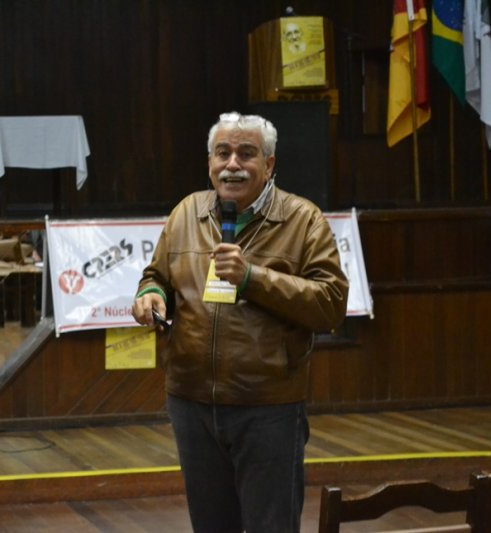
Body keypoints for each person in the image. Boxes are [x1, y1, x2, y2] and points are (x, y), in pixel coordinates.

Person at [131, 111, 348, 532]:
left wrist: (252, 278)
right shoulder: (186, 213)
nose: (232, 164)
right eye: (223, 153)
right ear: (209, 162)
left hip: (267, 407)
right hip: (192, 402)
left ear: (269, 164)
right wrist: (150, 294)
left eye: (246, 153)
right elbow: (156, 275)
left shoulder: (303, 220)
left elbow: (331, 303)